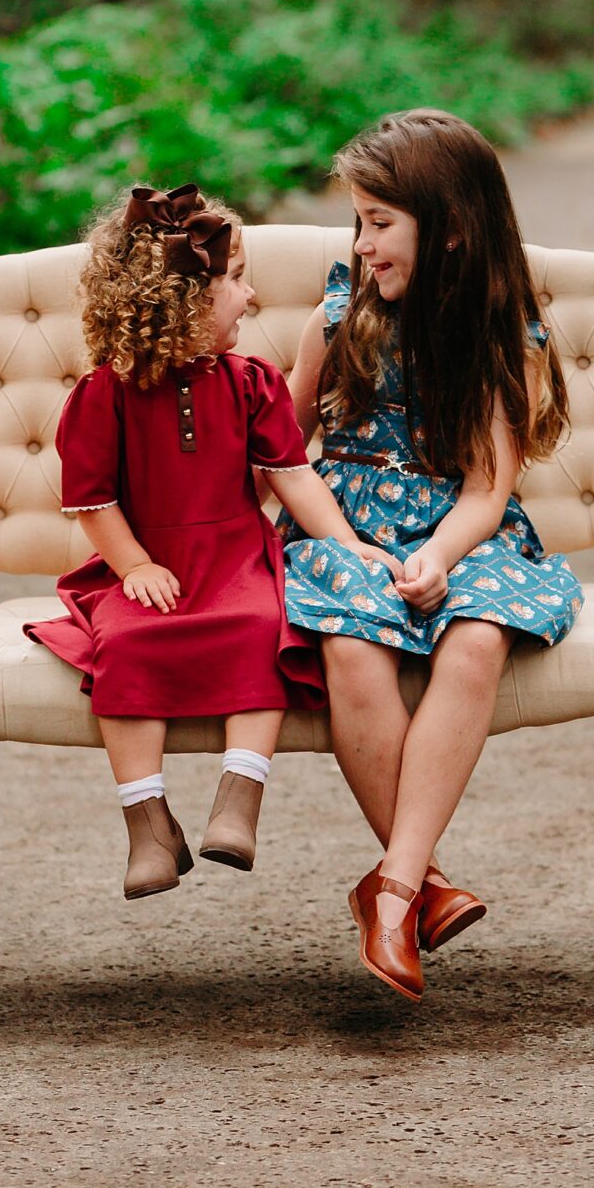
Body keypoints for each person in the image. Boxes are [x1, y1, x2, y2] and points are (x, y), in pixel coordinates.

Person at [279, 109, 584, 1003]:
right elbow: (283, 448)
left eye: (382, 223)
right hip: (346, 531)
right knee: (350, 639)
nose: (365, 244)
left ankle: (396, 887)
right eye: (359, 223)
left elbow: (489, 491)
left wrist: (441, 557)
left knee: (481, 632)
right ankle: (424, 886)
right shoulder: (339, 318)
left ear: (449, 227)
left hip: (467, 534)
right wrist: (348, 539)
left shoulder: (503, 337)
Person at [25, 182, 398, 901]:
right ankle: (146, 820)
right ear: (183, 302)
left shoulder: (251, 382)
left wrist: (350, 545)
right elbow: (94, 501)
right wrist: (132, 565)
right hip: (152, 563)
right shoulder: (108, 393)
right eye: (233, 280)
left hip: (234, 559)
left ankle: (239, 796)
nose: (250, 295)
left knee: (265, 627)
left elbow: (292, 477)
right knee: (124, 645)